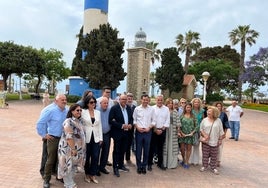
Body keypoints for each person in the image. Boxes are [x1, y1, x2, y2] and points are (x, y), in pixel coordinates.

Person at [36, 94, 68, 188]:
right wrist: (44, 135)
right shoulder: (50, 110)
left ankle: (60, 176)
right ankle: (46, 180)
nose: (64, 101)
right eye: (62, 100)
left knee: (61, 159)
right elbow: (40, 123)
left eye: (65, 99)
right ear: (56, 101)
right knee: (50, 160)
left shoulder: (67, 110)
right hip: (53, 138)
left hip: (63, 139)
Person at [57, 104, 86, 188]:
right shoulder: (68, 121)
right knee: (67, 165)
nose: (79, 112)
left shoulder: (80, 121)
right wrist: (73, 149)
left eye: (80, 110)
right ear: (72, 111)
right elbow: (69, 137)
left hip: (77, 149)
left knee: (73, 165)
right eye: (77, 110)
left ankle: (70, 182)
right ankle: (69, 184)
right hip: (68, 148)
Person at [109, 94, 133, 177]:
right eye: (123, 99)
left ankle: (121, 165)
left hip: (126, 133)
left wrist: (130, 124)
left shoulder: (129, 108)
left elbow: (131, 118)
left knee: (123, 150)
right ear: (119, 100)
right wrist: (122, 125)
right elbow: (111, 120)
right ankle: (115, 168)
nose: (124, 101)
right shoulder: (114, 108)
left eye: (125, 99)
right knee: (116, 151)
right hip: (118, 133)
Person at [82, 96, 103, 184]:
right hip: (86, 137)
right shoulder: (83, 112)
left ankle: (92, 174)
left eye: (94, 102)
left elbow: (99, 125)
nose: (93, 103)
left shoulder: (98, 112)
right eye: (91, 102)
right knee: (87, 157)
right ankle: (86, 174)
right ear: (87, 103)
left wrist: (101, 138)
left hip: (96, 138)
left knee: (95, 156)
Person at [133, 94, 154, 174]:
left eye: (147, 100)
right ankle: (139, 166)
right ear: (141, 100)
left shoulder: (151, 109)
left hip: (148, 132)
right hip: (139, 132)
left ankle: (144, 166)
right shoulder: (137, 109)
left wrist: (149, 127)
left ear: (148, 100)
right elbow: (134, 120)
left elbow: (154, 121)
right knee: (138, 150)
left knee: (146, 150)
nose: (145, 101)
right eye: (144, 99)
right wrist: (137, 127)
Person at [199, 106, 224, 175]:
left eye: (210, 111)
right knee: (205, 155)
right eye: (207, 111)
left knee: (214, 155)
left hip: (215, 141)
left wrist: (220, 139)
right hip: (206, 141)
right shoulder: (204, 120)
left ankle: (213, 167)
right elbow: (201, 129)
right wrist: (205, 135)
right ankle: (204, 166)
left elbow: (221, 131)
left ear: (214, 113)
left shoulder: (218, 120)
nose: (207, 112)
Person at [148, 95, 170, 171]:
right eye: (158, 100)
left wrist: (162, 129)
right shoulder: (152, 108)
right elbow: (150, 120)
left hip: (162, 131)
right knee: (152, 148)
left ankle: (160, 163)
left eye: (161, 100)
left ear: (163, 100)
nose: (160, 101)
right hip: (154, 130)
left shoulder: (166, 109)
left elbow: (167, 120)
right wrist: (155, 129)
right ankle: (149, 163)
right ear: (156, 100)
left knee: (160, 148)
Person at [163, 98, 180, 169]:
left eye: (171, 103)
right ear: (166, 104)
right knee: (165, 145)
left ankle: (172, 163)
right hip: (165, 130)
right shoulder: (164, 111)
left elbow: (178, 122)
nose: (170, 104)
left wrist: (178, 131)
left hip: (173, 131)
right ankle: (164, 163)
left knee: (173, 146)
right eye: (169, 103)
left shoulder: (175, 111)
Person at [178, 103, 196, 169]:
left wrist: (192, 132)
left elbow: (196, 126)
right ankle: (183, 159)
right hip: (182, 135)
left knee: (189, 149)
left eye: (189, 107)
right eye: (187, 107)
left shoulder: (193, 116)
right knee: (182, 149)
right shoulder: (182, 116)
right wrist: (181, 132)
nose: (188, 109)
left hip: (190, 135)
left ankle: (186, 161)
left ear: (191, 108)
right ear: (185, 108)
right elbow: (179, 125)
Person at [96, 97, 111, 175]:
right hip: (99, 135)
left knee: (106, 151)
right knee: (97, 152)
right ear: (100, 103)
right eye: (104, 103)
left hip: (107, 134)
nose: (106, 104)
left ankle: (102, 167)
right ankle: (96, 168)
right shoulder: (97, 111)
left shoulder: (109, 110)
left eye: (107, 103)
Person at [189, 97, 204, 165]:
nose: (196, 103)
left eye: (198, 102)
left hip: (199, 130)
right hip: (191, 129)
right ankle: (189, 160)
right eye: (195, 102)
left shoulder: (202, 111)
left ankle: (195, 161)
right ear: (193, 103)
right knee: (190, 145)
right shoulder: (190, 110)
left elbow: (203, 121)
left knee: (197, 145)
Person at [215, 102, 229, 167]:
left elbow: (226, 125)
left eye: (219, 106)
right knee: (213, 147)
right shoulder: (213, 114)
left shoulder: (224, 115)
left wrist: (224, 133)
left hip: (221, 133)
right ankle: (213, 160)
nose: (218, 107)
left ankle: (218, 161)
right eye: (217, 106)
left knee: (220, 148)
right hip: (213, 133)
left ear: (221, 107)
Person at [125, 92, 136, 165]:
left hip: (131, 129)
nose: (129, 99)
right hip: (123, 128)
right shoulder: (123, 106)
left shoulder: (135, 108)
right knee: (122, 145)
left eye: (131, 98)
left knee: (129, 144)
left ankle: (128, 159)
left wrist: (132, 125)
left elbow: (135, 118)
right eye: (128, 98)